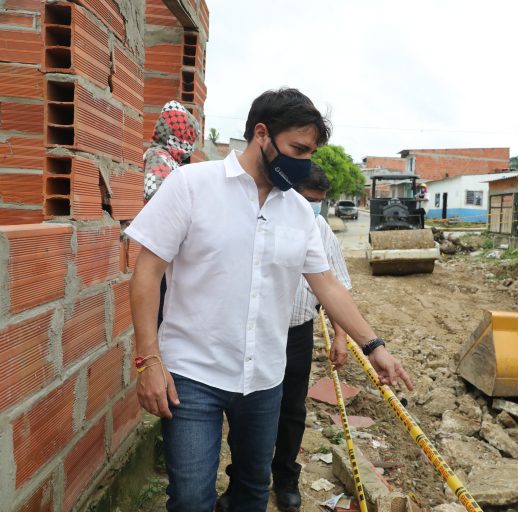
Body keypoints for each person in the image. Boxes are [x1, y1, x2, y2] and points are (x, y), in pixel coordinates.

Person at [126, 87, 412, 512]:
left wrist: (375, 346)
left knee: (252, 492)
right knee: (189, 498)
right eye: (297, 149)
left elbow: (327, 285)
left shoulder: (298, 212)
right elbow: (146, 272)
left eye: (309, 153)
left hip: (262, 380)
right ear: (262, 134)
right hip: (191, 374)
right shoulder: (192, 186)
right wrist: (148, 360)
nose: (303, 162)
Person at [217, 163, 351, 512]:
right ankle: (241, 479)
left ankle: (286, 478)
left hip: (297, 333)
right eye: (309, 199)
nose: (313, 207)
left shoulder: (320, 228)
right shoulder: (261, 219)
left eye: (319, 201)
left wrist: (341, 337)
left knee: (292, 409)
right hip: (254, 331)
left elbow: (338, 286)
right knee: (245, 409)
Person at [141, 100, 200, 328]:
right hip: (162, 249)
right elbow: (155, 197)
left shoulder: (171, 162)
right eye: (189, 135)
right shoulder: (159, 158)